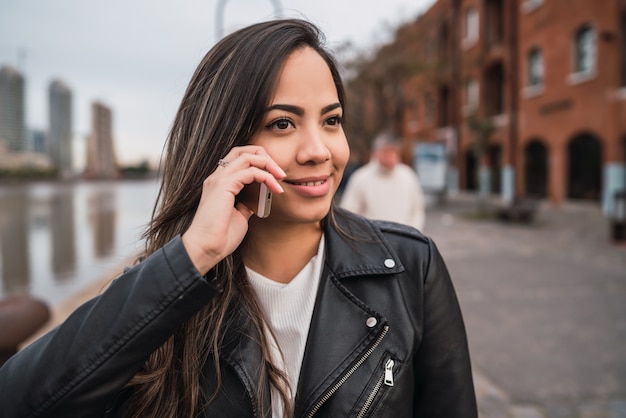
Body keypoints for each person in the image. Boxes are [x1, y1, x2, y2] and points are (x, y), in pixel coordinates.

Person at [0, 19, 477, 417]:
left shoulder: (412, 268)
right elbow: (19, 399)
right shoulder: (166, 288)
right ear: (223, 143)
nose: (319, 151)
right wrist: (192, 256)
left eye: (331, 120)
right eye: (282, 124)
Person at [340, 131, 426, 231]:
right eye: (386, 151)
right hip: (370, 241)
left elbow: (417, 211)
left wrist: (412, 233)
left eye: (393, 151)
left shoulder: (408, 176)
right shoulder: (361, 178)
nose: (390, 156)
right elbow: (348, 213)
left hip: (404, 240)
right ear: (376, 152)